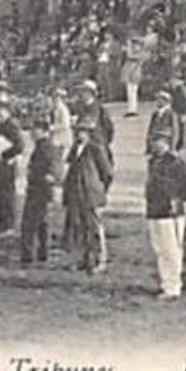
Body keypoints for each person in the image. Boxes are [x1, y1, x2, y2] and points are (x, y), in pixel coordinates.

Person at [144, 136, 186, 300]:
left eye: (160, 141)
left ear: (167, 143)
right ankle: (165, 283)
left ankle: (173, 287)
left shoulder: (175, 162)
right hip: (154, 209)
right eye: (154, 141)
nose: (156, 144)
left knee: (171, 250)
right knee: (160, 249)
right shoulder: (153, 161)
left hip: (170, 212)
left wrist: (176, 199)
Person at [62, 116, 112, 274]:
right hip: (77, 194)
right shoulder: (75, 149)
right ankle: (85, 259)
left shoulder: (96, 149)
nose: (79, 134)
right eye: (77, 131)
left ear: (89, 133)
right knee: (81, 228)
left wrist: (100, 190)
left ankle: (100, 260)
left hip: (91, 193)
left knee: (95, 228)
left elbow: (107, 173)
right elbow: (70, 170)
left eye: (83, 131)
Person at [20, 118, 58, 265]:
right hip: (40, 189)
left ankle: (28, 255)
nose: (31, 133)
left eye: (34, 130)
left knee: (29, 223)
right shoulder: (42, 146)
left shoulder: (46, 147)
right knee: (42, 223)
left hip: (39, 189)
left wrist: (44, 178)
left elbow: (53, 169)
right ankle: (42, 253)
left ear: (43, 132)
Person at [0, 86, 23, 234]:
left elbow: (20, 145)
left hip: (7, 164)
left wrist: (5, 154)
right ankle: (2, 224)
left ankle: (9, 224)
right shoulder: (2, 124)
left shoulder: (12, 125)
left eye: (1, 110)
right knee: (0, 195)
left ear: (7, 110)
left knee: (7, 195)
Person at [145, 88, 183, 154]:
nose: (158, 101)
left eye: (161, 99)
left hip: (165, 143)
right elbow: (149, 131)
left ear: (166, 101)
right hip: (154, 143)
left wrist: (173, 148)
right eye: (157, 99)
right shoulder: (155, 114)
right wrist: (148, 147)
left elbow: (175, 132)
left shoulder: (171, 114)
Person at [120, 44, 143, 118]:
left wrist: (128, 47)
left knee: (133, 92)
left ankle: (133, 109)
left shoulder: (137, 56)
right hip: (130, 76)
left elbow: (130, 55)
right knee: (130, 93)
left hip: (134, 75)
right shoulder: (129, 59)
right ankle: (131, 109)